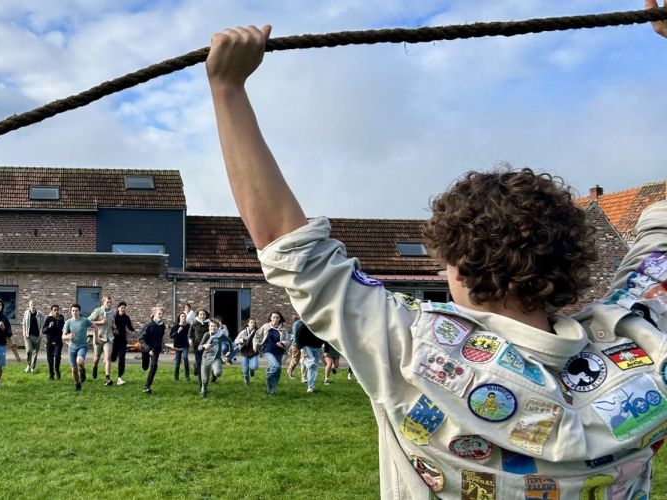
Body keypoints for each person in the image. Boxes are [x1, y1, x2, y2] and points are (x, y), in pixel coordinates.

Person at [208, 14, 667, 498]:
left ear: (459, 267)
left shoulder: (410, 351)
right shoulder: (644, 345)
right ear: (572, 262)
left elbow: (290, 244)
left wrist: (228, 89)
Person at [63, 304, 94, 391]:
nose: (74, 312)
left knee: (79, 361)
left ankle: (82, 370)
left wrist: (96, 339)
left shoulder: (84, 320)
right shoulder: (68, 322)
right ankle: (77, 385)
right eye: (73, 310)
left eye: (76, 310)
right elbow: (63, 336)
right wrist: (68, 337)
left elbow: (95, 327)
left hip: (82, 346)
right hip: (72, 347)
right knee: (74, 370)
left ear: (79, 311)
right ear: (71, 312)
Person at [257, 312, 288, 395]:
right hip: (268, 350)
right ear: (270, 318)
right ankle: (268, 375)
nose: (275, 319)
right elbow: (257, 335)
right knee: (275, 366)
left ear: (280, 319)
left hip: (279, 351)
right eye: (273, 317)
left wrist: (282, 343)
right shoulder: (266, 326)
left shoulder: (283, 329)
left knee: (278, 371)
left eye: (277, 317)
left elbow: (289, 340)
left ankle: (271, 390)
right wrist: (255, 344)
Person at [138, 306, 167, 394]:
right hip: (146, 348)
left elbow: (160, 338)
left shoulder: (162, 326)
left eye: (162, 314)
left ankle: (147, 386)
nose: (161, 316)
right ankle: (144, 362)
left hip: (155, 349)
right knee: (145, 367)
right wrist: (148, 349)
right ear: (154, 314)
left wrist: (157, 348)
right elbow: (141, 339)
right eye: (159, 314)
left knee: (154, 365)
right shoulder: (149, 324)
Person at [88, 295, 116, 385]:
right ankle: (95, 366)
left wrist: (114, 327)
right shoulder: (98, 311)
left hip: (109, 338)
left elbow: (112, 323)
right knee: (97, 358)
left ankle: (107, 378)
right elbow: (88, 321)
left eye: (110, 302)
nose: (109, 304)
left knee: (108, 357)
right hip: (99, 338)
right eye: (107, 302)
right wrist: (100, 322)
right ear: (103, 302)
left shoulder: (113, 313)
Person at [197, 321, 223, 398]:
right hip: (206, 358)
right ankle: (203, 389)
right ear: (209, 327)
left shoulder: (221, 336)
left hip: (216, 358)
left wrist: (228, 352)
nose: (213, 328)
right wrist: (204, 346)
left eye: (215, 326)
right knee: (204, 379)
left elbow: (230, 343)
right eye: (211, 326)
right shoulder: (207, 335)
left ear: (218, 328)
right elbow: (199, 347)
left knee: (218, 373)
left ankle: (214, 372)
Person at [112, 301, 134, 385]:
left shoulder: (126, 317)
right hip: (114, 341)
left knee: (121, 358)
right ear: (118, 308)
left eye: (124, 308)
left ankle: (119, 377)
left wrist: (133, 330)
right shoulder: (114, 316)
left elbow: (129, 326)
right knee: (113, 358)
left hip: (122, 341)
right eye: (122, 307)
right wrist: (114, 330)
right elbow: (110, 325)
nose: (123, 309)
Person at [20, 300, 45, 374]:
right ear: (29, 305)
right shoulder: (26, 313)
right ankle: (28, 365)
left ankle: (32, 367)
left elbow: (42, 324)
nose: (32, 306)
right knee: (29, 351)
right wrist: (24, 332)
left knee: (35, 352)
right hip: (28, 335)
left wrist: (41, 333)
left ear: (36, 305)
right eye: (31, 305)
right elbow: (24, 324)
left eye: (34, 305)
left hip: (37, 336)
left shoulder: (40, 314)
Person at [42, 304, 66, 381]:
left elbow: (65, 328)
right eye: (54, 310)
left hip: (58, 342)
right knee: (50, 360)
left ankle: (57, 370)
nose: (56, 311)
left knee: (57, 356)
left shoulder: (61, 319)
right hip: (50, 342)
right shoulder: (48, 319)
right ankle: (51, 375)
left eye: (57, 310)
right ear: (51, 311)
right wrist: (49, 326)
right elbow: (43, 331)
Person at [234, 318, 259, 384]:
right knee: (245, 371)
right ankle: (247, 382)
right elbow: (235, 341)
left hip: (254, 351)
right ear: (248, 324)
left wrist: (257, 344)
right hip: (245, 352)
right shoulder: (243, 332)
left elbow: (261, 341)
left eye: (254, 323)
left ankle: (252, 369)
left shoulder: (257, 332)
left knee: (255, 367)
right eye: (251, 322)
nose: (253, 324)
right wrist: (243, 339)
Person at [189, 309, 210, 388]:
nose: (202, 316)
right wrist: (190, 340)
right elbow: (190, 334)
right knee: (199, 363)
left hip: (207, 346)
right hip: (197, 346)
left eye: (204, 314)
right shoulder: (194, 323)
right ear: (198, 315)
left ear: (206, 315)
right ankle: (201, 384)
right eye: (200, 314)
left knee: (204, 364)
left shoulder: (209, 323)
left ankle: (196, 367)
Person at [170, 312, 191, 381]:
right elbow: (171, 336)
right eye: (182, 316)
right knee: (177, 362)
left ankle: (187, 376)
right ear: (179, 318)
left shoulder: (188, 326)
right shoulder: (175, 326)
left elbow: (191, 334)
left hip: (185, 345)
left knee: (185, 358)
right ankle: (176, 378)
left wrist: (191, 340)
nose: (183, 318)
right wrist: (177, 332)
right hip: (177, 346)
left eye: (185, 316)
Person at [286, 314, 303, 380]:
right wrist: (295, 344)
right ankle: (289, 370)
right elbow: (295, 334)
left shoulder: (302, 323)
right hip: (296, 344)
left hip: (302, 344)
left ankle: (303, 376)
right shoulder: (297, 323)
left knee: (300, 360)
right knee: (295, 360)